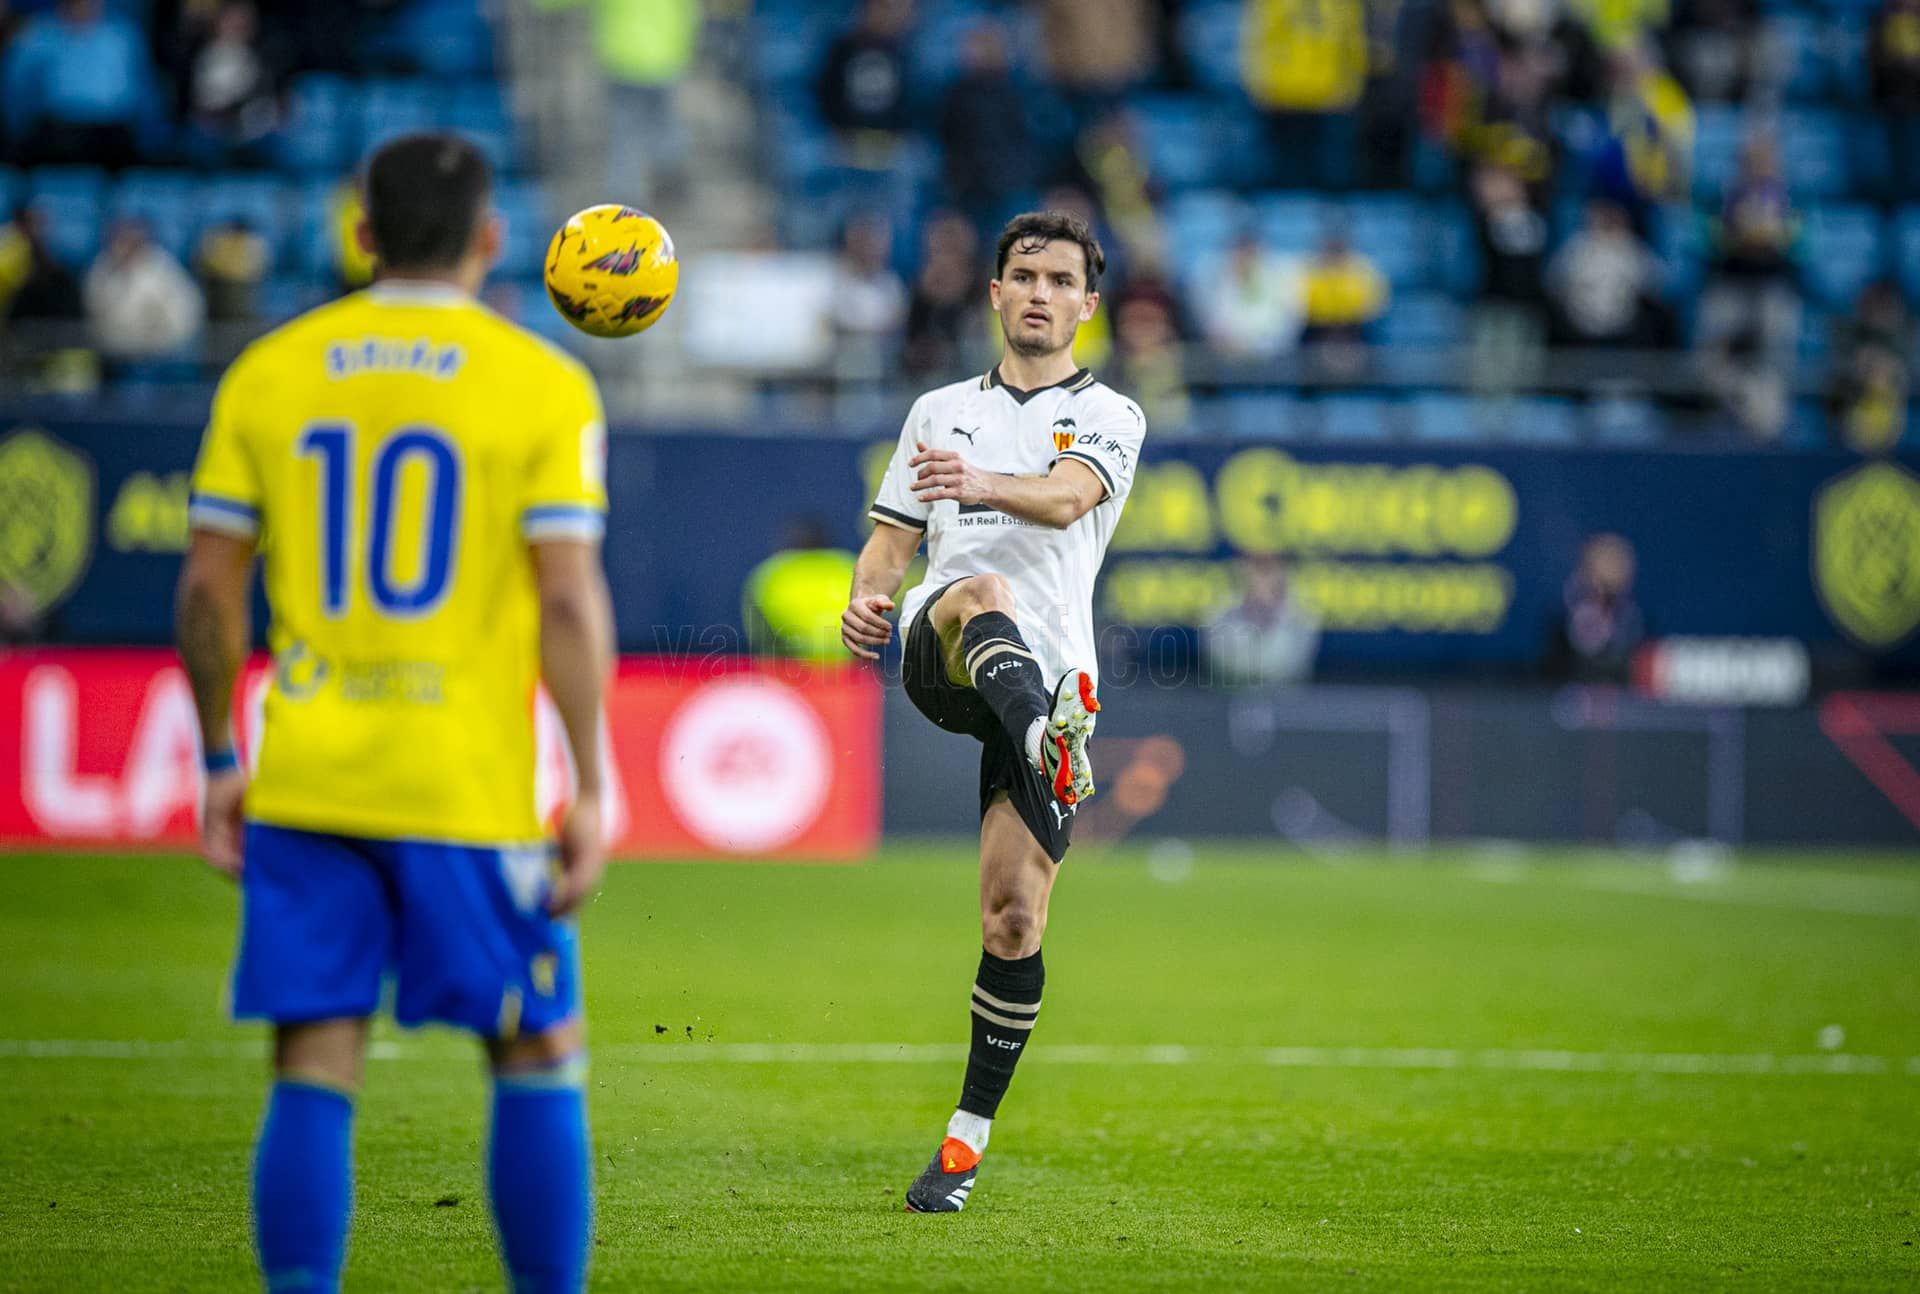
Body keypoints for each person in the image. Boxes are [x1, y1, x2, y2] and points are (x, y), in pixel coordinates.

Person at [174, 134, 612, 1293]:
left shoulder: (271, 370)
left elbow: (208, 589)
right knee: (536, 1045)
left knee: (314, 1059)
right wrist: (593, 783)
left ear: (361, 234)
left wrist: (218, 755)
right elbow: (567, 599)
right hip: (464, 782)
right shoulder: (541, 382)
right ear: (492, 238)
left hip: (309, 774)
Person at [841, 209, 1146, 1213]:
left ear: (1087, 306)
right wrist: (867, 595)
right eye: (1025, 275)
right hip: (944, 647)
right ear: (996, 292)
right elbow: (892, 540)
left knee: (1013, 919)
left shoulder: (1110, 415)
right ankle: (1039, 736)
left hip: (1055, 672)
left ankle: (963, 1146)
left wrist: (976, 481)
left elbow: (1067, 500)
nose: (1040, 293)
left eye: (1060, 281)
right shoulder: (937, 410)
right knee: (980, 592)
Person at [2, 0, 153, 168]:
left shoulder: (122, 35)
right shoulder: (37, 34)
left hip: (112, 131)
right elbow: (16, 89)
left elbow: (141, 90)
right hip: (58, 131)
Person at [84, 218, 206, 361]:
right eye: (120, 240)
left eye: (128, 240)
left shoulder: (163, 268)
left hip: (163, 352)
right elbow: (96, 313)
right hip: (115, 352)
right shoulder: (101, 269)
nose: (122, 247)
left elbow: (186, 311)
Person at [1203, 554, 1320, 687]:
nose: (1264, 580)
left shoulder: (1302, 619)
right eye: (1259, 569)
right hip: (1229, 692)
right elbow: (1223, 666)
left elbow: (1293, 668)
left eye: (1269, 570)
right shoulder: (1221, 616)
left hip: (1284, 694)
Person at [1544, 532, 1646, 682]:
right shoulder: (1562, 624)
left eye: (1620, 563)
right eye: (1608, 562)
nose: (1615, 570)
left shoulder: (1635, 622)